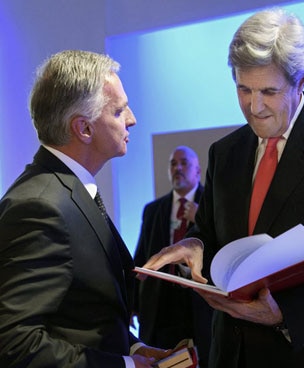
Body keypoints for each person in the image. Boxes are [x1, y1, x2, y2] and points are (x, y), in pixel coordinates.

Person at [143, 7, 304, 368]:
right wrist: (194, 245)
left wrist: (282, 313)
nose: (253, 107)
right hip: (230, 354)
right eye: (243, 89)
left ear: (301, 81)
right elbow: (210, 233)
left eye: (269, 92)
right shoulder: (225, 152)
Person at [0, 50, 169, 368]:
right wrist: (125, 366)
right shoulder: (39, 207)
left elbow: (80, 317)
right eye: (119, 111)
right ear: (84, 129)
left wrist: (133, 350)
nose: (132, 118)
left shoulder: (68, 190)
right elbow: (14, 345)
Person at [133, 146, 213, 365]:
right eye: (173, 164)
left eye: (184, 163)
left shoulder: (212, 204)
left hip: (199, 303)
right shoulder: (153, 210)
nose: (178, 168)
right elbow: (141, 256)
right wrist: (131, 304)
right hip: (161, 304)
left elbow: (225, 246)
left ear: (197, 171)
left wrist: (201, 217)